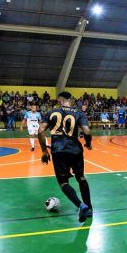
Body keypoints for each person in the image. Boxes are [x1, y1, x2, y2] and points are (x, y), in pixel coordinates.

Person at [38, 92, 93, 222]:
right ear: (71, 99)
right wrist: (88, 143)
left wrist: (44, 151)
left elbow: (40, 130)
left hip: (59, 150)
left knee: (63, 182)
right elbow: (87, 131)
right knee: (81, 178)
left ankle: (81, 205)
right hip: (75, 150)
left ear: (59, 100)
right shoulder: (79, 113)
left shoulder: (52, 112)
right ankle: (89, 207)